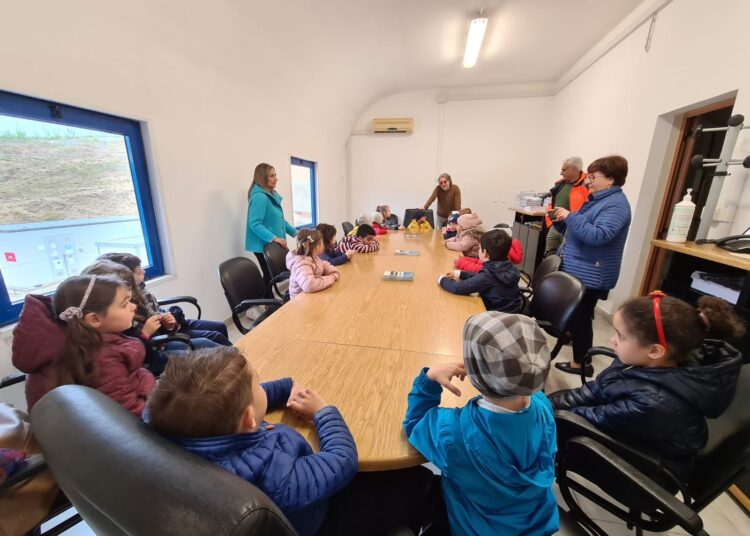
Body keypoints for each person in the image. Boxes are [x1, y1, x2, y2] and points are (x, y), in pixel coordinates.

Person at [147, 347, 436, 536]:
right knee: (417, 478)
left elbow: (229, 398)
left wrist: (286, 387)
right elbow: (341, 460)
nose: (262, 386)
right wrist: (323, 412)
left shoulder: (177, 421)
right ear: (249, 419)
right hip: (318, 517)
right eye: (257, 384)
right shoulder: (274, 475)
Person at [549, 293, 745, 480]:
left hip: (649, 471)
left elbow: (592, 417)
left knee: (546, 430)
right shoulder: (640, 361)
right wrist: (548, 402)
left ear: (655, 351)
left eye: (621, 336)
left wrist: (544, 412)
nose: (612, 340)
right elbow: (597, 390)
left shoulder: (654, 402)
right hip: (631, 432)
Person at [403, 312, 559, 536]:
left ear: (473, 373)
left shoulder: (453, 433)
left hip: (477, 527)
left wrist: (429, 380)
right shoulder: (543, 405)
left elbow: (415, 424)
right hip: (536, 522)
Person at [12, 274, 155, 417]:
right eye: (124, 304)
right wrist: (148, 384)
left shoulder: (69, 341)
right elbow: (129, 415)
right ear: (94, 319)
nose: (133, 307)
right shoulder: (102, 358)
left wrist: (143, 379)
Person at [552, 155, 632, 377]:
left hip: (592, 273)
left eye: (593, 177)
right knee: (577, 316)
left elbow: (598, 235)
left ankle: (582, 364)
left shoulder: (616, 205)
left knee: (581, 318)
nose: (588, 181)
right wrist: (562, 223)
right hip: (580, 268)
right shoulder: (597, 200)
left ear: (611, 179)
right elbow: (580, 230)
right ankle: (576, 347)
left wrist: (571, 217)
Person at [97, 252, 231, 345]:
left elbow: (156, 311)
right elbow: (149, 329)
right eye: (139, 271)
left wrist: (170, 316)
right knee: (215, 337)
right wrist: (167, 323)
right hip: (164, 334)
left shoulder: (141, 290)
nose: (143, 272)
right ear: (127, 277)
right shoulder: (128, 307)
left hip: (172, 325)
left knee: (220, 327)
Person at [438, 229, 523, 313]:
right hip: (513, 311)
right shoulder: (508, 266)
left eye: (479, 248)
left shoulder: (488, 275)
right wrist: (459, 273)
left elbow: (458, 288)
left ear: (484, 253)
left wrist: (441, 279)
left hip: (496, 316)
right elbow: (480, 275)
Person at [245, 163, 298, 286]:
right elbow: (254, 223)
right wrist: (274, 238)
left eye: (275, 175)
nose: (276, 178)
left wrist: (297, 233)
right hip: (262, 245)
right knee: (269, 276)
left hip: (270, 243)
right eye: (272, 176)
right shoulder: (260, 197)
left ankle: (267, 296)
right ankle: (266, 297)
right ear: (263, 177)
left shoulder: (270, 195)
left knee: (271, 276)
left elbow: (281, 221)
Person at [544, 157, 589, 257]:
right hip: (555, 228)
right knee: (549, 259)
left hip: (571, 230)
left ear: (575, 169)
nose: (561, 173)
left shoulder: (587, 186)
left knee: (565, 259)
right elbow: (552, 202)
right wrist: (550, 222)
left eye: (564, 170)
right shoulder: (561, 184)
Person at [286, 229, 340, 299]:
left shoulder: (313, 256)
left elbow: (323, 265)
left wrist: (333, 272)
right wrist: (331, 278)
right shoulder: (301, 263)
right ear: (318, 246)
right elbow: (309, 285)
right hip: (299, 300)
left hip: (310, 295)